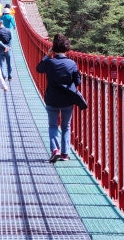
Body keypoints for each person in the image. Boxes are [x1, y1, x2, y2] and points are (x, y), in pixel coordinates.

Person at [37, 34, 80, 162]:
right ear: (67, 49)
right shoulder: (72, 63)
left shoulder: (50, 62)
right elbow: (77, 81)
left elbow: (39, 69)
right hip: (67, 99)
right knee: (66, 126)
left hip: (52, 99)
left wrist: (47, 55)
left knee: (52, 125)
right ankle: (65, 154)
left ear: (53, 49)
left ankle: (55, 149)